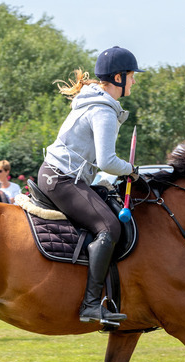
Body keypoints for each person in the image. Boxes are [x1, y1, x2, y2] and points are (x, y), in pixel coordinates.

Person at [36, 46, 141, 326]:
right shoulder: (103, 111)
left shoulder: (95, 103)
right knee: (109, 227)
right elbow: (107, 161)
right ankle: (91, 305)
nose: (134, 81)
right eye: (131, 76)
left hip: (56, 175)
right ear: (118, 78)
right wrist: (132, 170)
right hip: (62, 179)